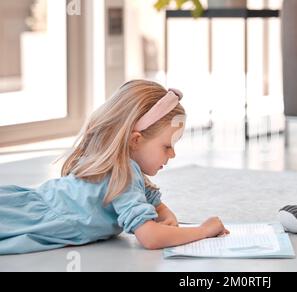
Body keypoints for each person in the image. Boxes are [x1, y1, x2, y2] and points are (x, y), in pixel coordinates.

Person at [0, 80, 229, 255]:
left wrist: (166, 216)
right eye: (166, 146)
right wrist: (202, 231)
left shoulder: (127, 171)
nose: (173, 154)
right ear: (135, 140)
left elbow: (156, 206)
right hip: (29, 217)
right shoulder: (124, 172)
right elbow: (150, 238)